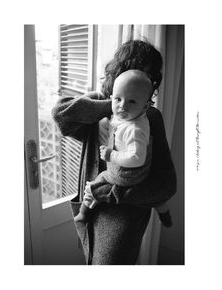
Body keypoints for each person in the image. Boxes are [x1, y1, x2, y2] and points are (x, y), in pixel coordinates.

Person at [52, 39, 177, 265]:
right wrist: (112, 104)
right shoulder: (98, 108)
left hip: (122, 220)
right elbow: (61, 116)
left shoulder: (150, 118)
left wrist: (112, 193)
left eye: (147, 79)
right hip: (89, 209)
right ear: (118, 72)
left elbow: (166, 184)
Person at [74, 69, 172, 227]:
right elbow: (116, 122)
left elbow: (136, 158)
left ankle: (83, 213)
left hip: (128, 173)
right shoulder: (131, 116)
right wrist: (107, 124)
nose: (122, 106)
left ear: (146, 106)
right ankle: (165, 214)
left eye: (132, 101)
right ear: (111, 98)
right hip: (142, 173)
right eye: (118, 99)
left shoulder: (135, 129)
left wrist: (111, 155)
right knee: (157, 198)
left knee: (95, 184)